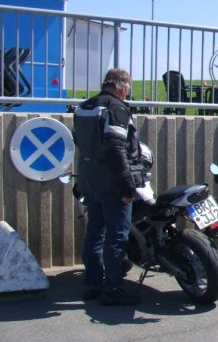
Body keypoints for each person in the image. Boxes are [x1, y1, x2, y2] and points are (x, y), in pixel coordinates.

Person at [73, 68, 141, 305]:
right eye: (127, 90)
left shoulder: (83, 107)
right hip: (112, 183)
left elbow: (80, 142)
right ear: (121, 87)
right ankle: (113, 289)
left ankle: (92, 285)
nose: (126, 94)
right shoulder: (115, 108)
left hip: (89, 181)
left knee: (95, 234)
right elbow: (115, 149)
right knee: (116, 237)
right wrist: (127, 185)